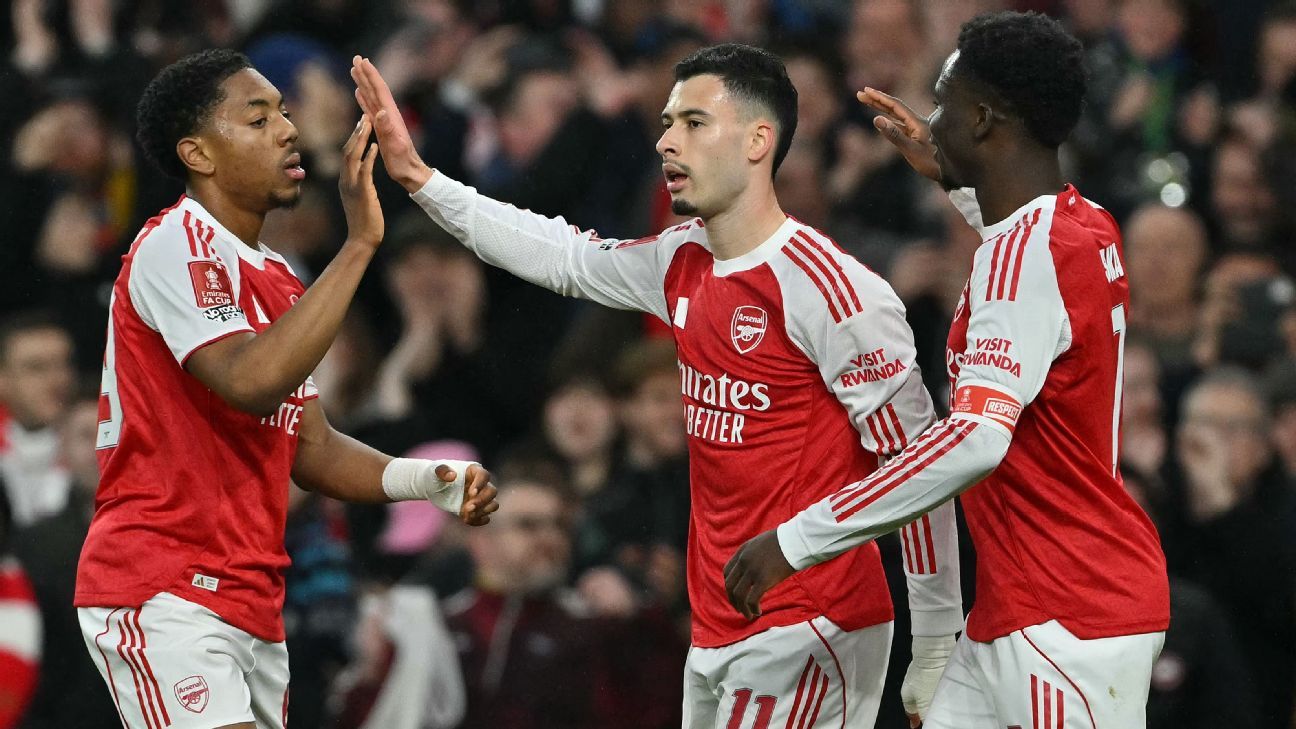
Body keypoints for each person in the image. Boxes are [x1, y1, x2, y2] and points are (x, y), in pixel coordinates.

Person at [353, 43, 963, 727]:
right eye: (668, 123)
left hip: (811, 622)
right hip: (717, 623)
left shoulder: (835, 291)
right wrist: (420, 179)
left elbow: (922, 471)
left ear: (758, 141)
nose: (667, 141)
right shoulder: (682, 258)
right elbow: (562, 255)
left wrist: (936, 643)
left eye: (695, 123)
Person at [722, 12, 1170, 729]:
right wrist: (957, 179)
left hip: (1068, 621)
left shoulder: (1020, 257)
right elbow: (1026, 255)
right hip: (1024, 604)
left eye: (944, 105)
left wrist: (799, 539)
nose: (932, 121)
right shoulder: (1085, 223)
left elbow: (976, 439)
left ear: (985, 119)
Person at [72, 49, 499, 729]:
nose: (288, 129)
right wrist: (357, 246)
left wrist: (430, 481)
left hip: (251, 597)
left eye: (284, 112)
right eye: (258, 118)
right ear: (199, 154)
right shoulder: (175, 243)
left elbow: (313, 446)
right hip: (163, 584)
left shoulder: (277, 278)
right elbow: (249, 383)